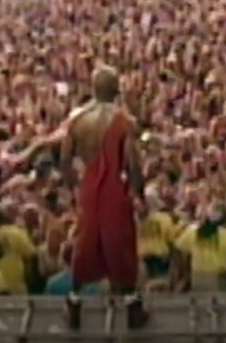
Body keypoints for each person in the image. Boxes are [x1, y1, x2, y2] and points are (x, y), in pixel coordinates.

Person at [60, 64, 149, 330]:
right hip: (114, 189)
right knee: (120, 243)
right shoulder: (124, 120)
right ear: (117, 89)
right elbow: (132, 163)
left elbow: (65, 161)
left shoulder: (77, 118)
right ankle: (133, 308)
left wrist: (75, 188)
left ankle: (74, 305)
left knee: (84, 244)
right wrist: (139, 193)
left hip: (89, 187)